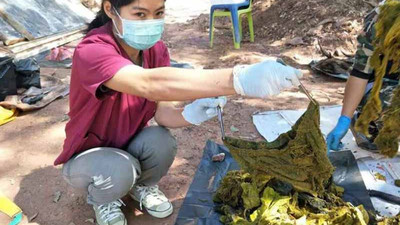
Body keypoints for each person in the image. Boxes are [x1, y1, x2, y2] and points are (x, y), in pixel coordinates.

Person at [54, 0, 303, 224]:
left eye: (158, 13)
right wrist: (238, 79)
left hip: (127, 144)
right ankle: (103, 199)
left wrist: (191, 113)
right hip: (90, 155)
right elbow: (150, 84)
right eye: (140, 14)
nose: (150, 22)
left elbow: (162, 112)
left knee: (161, 141)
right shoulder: (93, 50)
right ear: (110, 9)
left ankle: (142, 186)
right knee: (120, 169)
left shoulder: (156, 50)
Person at [326, 0, 399, 152]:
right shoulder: (381, 19)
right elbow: (360, 73)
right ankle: (367, 124)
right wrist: (344, 120)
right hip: (385, 85)